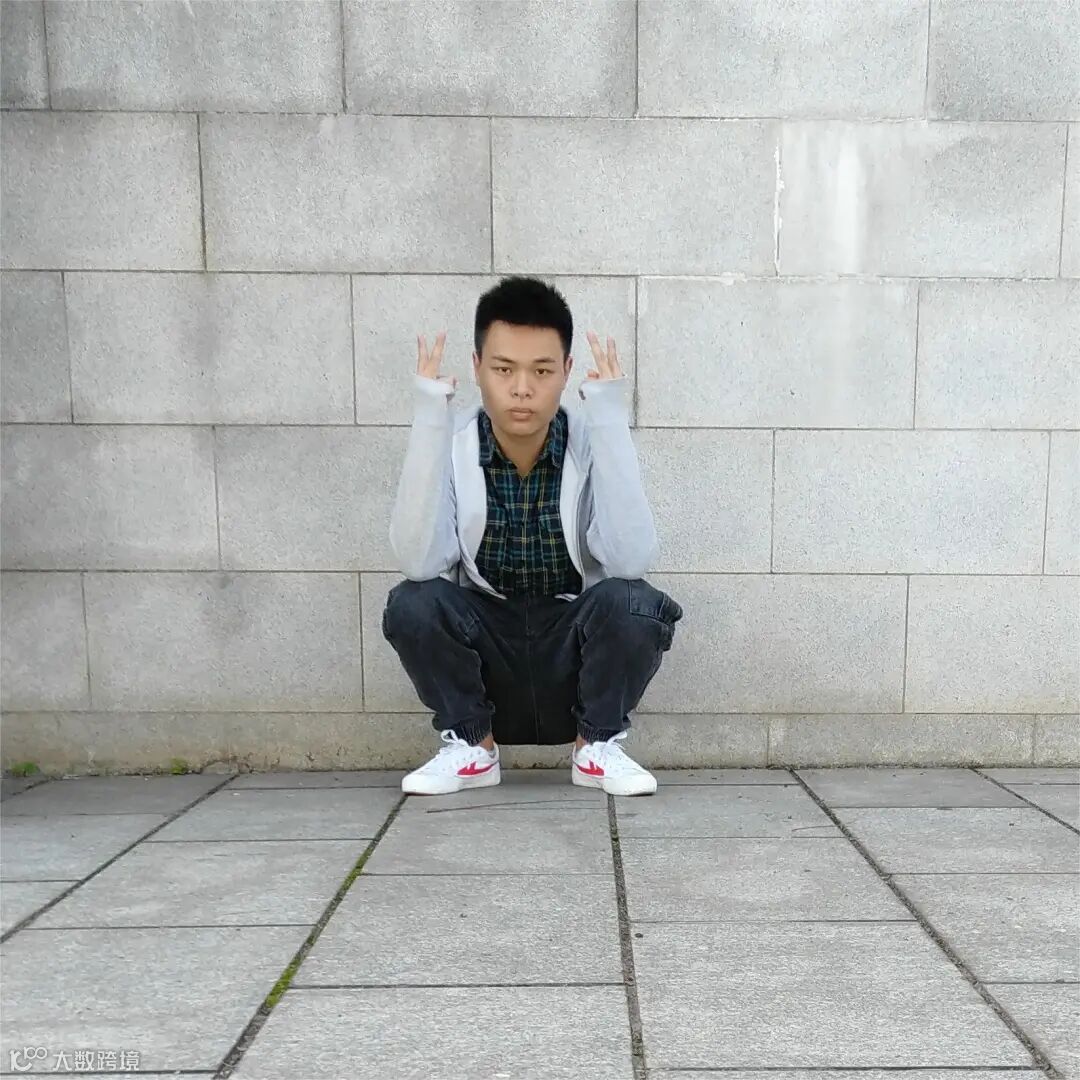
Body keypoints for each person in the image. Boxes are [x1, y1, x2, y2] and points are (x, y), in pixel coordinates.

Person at [382, 276, 682, 797]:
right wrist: (430, 418)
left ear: (566, 371)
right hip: (487, 653)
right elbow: (419, 562)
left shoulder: (588, 441)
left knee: (634, 601)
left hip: (569, 651)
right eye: (503, 369)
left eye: (542, 371)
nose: (522, 388)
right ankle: (472, 748)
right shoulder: (453, 443)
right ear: (477, 368)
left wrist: (609, 418)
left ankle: (596, 746)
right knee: (412, 602)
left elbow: (630, 559)